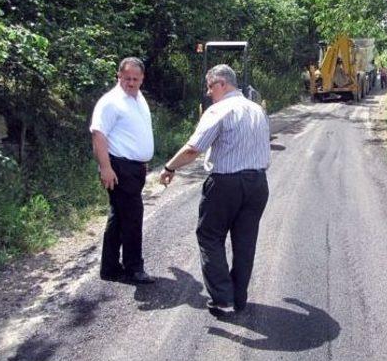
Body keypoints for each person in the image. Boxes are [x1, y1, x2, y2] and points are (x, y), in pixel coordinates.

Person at [159, 64, 270, 315]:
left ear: (222, 84)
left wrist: (169, 167)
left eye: (210, 86)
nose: (209, 92)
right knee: (245, 242)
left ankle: (222, 297)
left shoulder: (219, 110)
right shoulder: (257, 110)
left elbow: (193, 149)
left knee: (209, 236)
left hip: (226, 183)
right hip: (258, 184)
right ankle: (239, 297)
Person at [90, 57, 155, 284]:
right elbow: (98, 134)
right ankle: (134, 268)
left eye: (135, 79)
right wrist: (105, 168)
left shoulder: (138, 97)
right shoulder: (111, 101)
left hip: (134, 168)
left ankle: (109, 268)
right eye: (126, 78)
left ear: (142, 78)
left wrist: (142, 159)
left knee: (119, 217)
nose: (130, 82)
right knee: (133, 217)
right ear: (118, 76)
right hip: (119, 167)